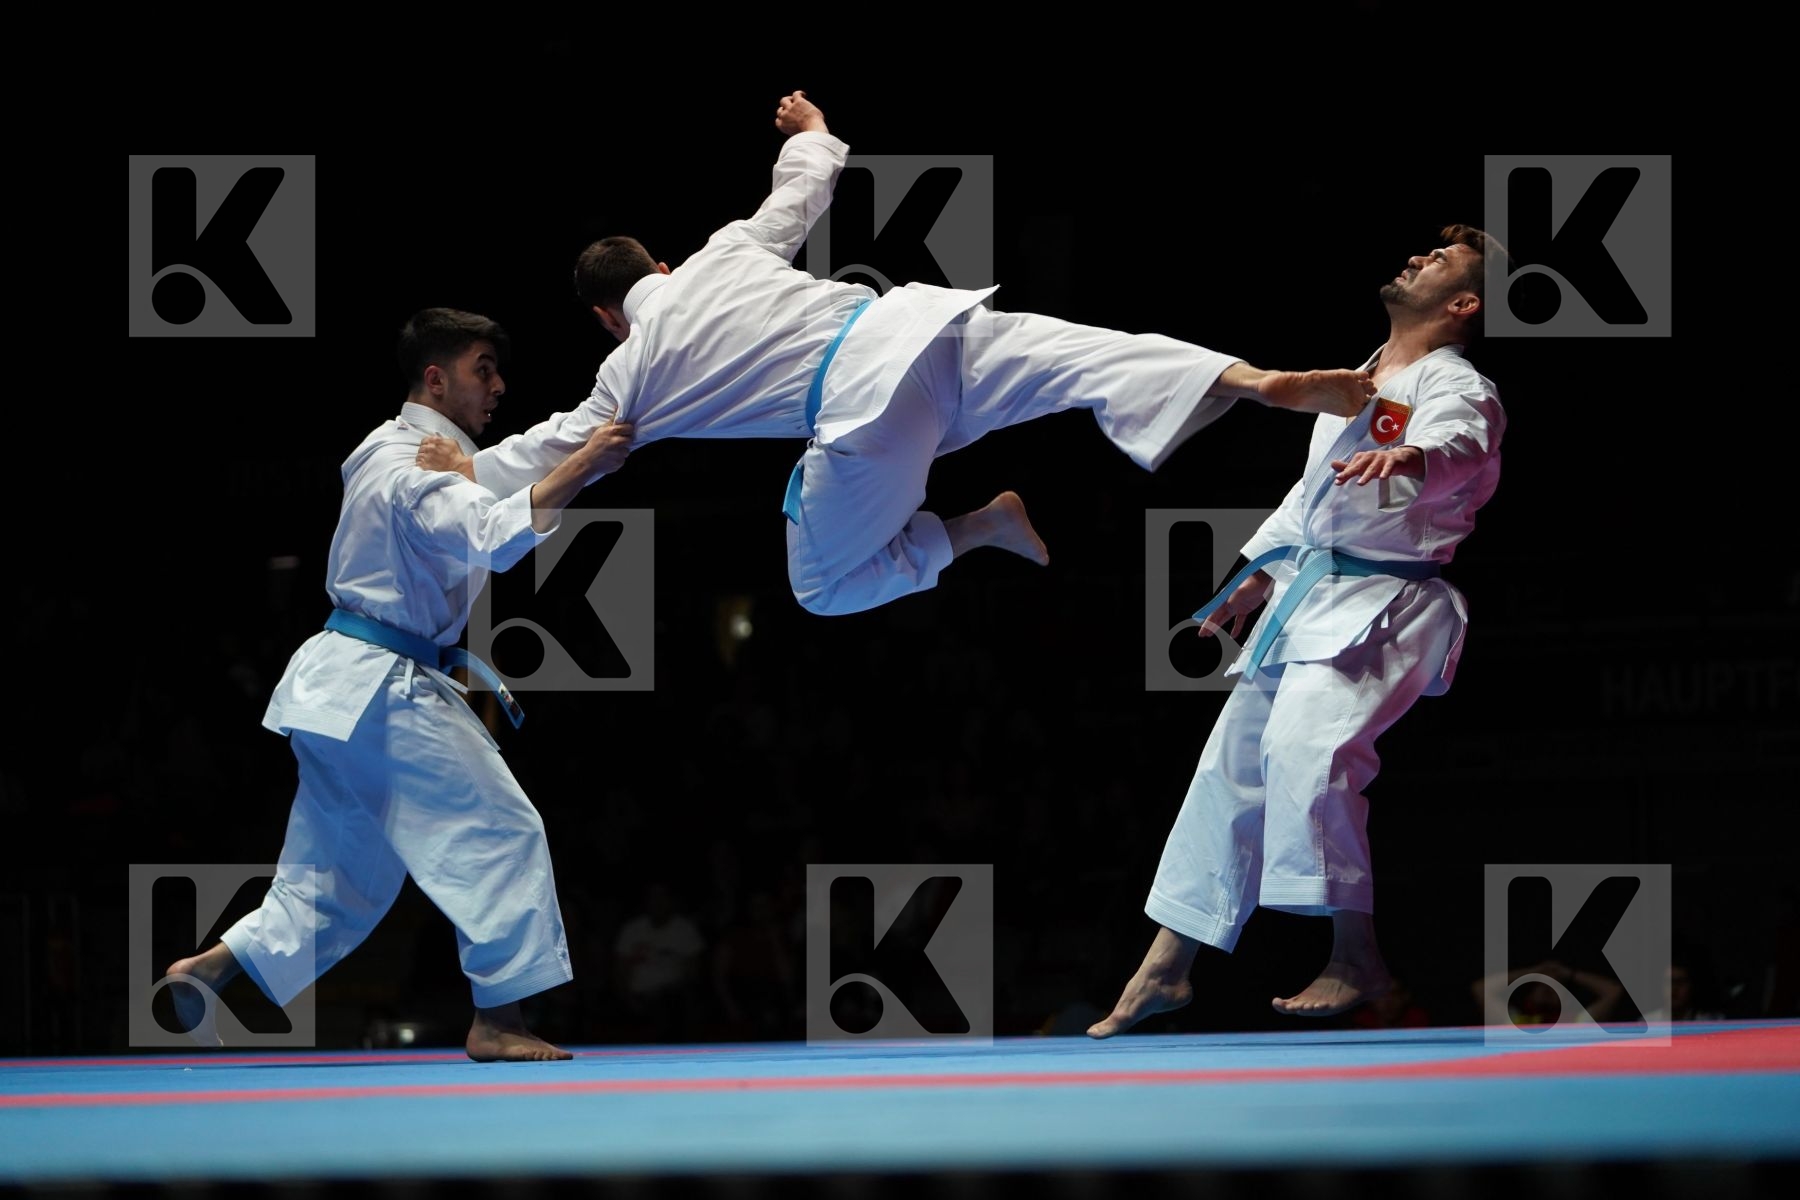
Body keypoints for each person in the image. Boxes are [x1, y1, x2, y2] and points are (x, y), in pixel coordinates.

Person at [416, 90, 1374, 616]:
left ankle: (977, 528)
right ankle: (1251, 379)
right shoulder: (724, 252)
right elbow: (800, 191)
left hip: (870, 418)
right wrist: (815, 131)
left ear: (605, 318)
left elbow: (549, 451)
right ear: (661, 264)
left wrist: (457, 469)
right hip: (920, 328)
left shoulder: (630, 371)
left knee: (822, 588)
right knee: (1093, 357)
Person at [160, 308, 635, 1062]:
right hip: (382, 685)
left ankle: (209, 968)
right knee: (503, 829)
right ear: (436, 379)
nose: (499, 384)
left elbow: (517, 459)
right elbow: (492, 534)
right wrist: (585, 469)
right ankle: (499, 1019)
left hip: (340, 688)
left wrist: (603, 421)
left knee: (344, 880)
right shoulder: (408, 466)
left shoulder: (413, 452)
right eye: (484, 368)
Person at [1089, 225, 1507, 1036]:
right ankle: (1164, 968)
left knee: (1308, 753)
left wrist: (1415, 458)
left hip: (1386, 606)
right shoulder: (1362, 375)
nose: (1419, 255)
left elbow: (1466, 444)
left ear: (1463, 304)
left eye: (1444, 261)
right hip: (1312, 596)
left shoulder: (1459, 383)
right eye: (1426, 248)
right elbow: (1311, 497)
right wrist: (1252, 577)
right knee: (1233, 767)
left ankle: (1357, 957)